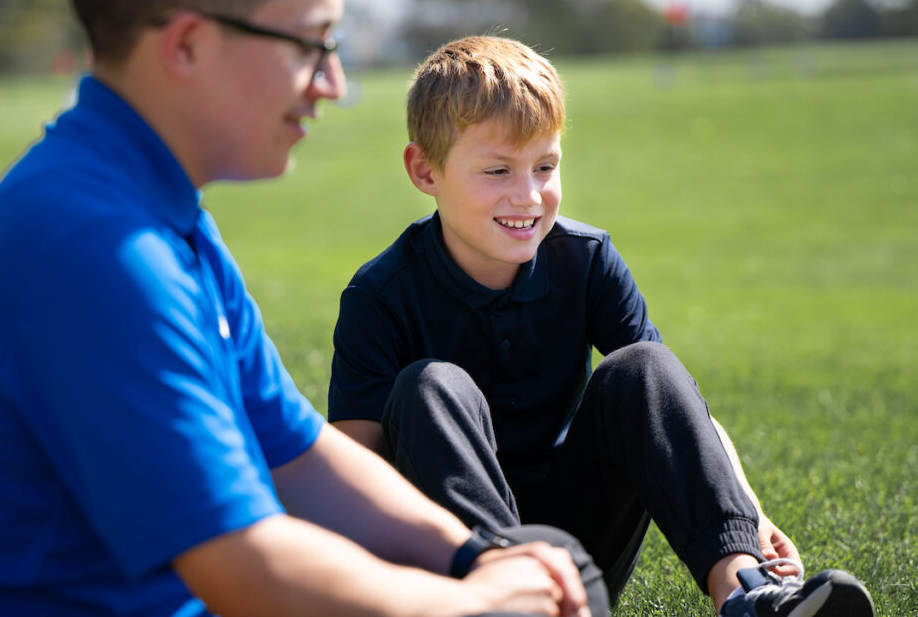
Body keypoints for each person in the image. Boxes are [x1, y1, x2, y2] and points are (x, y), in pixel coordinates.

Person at [0, 0, 603, 617]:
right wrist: (472, 602)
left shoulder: (159, 212)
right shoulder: (93, 246)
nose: (332, 82)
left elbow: (296, 453)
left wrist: (474, 554)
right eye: (310, 43)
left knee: (550, 568)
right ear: (189, 45)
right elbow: (246, 567)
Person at [327, 35, 875, 617]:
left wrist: (750, 512)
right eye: (497, 170)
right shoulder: (379, 295)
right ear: (425, 170)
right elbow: (352, 473)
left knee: (645, 365)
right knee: (430, 385)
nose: (528, 195)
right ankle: (509, 599)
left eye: (545, 166)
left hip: (578, 547)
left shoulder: (586, 260)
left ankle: (746, 592)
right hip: (460, 566)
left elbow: (676, 406)